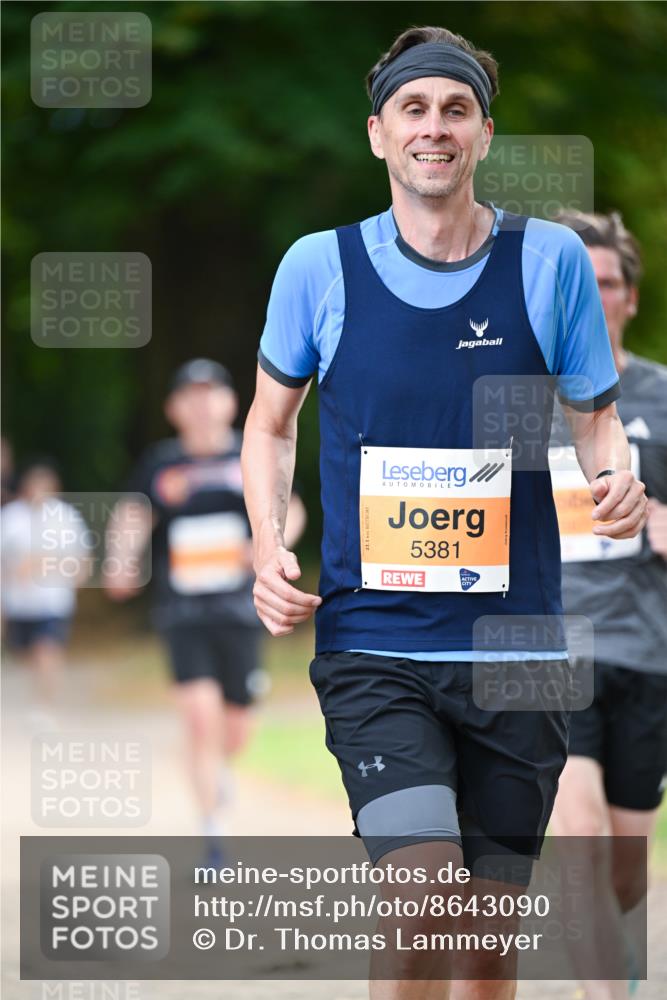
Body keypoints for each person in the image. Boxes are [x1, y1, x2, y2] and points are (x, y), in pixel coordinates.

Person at [241, 25, 647, 1000]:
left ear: (483, 133)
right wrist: (267, 541)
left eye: (454, 109)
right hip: (376, 644)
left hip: (516, 647)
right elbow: (268, 426)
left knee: (486, 944)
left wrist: (617, 475)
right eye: (413, 110)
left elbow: (596, 422)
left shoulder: (547, 261)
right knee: (423, 896)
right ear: (378, 134)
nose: (434, 127)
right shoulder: (318, 267)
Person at [104, 359, 306, 845]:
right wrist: (121, 559)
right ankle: (212, 828)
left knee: (236, 730)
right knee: (198, 717)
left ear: (230, 402)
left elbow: (290, 506)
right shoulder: (161, 463)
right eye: (189, 395)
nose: (201, 404)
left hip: (241, 611)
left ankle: (219, 769)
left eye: (210, 392)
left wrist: (269, 545)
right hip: (183, 611)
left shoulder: (249, 454)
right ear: (174, 408)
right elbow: (132, 515)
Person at [549, 211, 667, 1000]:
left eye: (607, 284)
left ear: (628, 297)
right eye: (577, 286)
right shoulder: (515, 395)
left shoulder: (660, 393)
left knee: (626, 865)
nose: (594, 298)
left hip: (646, 653)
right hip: (548, 647)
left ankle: (617, 958)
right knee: (580, 836)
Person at [1, 460, 90, 712]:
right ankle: (35, 696)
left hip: (53, 601)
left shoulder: (66, 518)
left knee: (47, 650)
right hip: (18, 603)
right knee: (26, 654)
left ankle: (45, 706)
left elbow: (81, 558)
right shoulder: (10, 518)